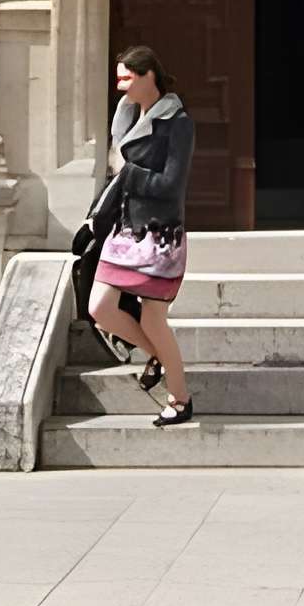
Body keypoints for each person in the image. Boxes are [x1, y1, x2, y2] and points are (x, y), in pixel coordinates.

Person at [85, 46, 197, 426]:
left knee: (152, 321)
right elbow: (117, 179)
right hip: (124, 233)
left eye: (127, 78)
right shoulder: (125, 119)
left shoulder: (177, 122)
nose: (121, 87)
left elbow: (171, 184)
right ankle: (160, 359)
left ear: (149, 76)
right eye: (119, 78)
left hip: (159, 237)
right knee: (99, 307)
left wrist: (129, 173)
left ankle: (180, 399)